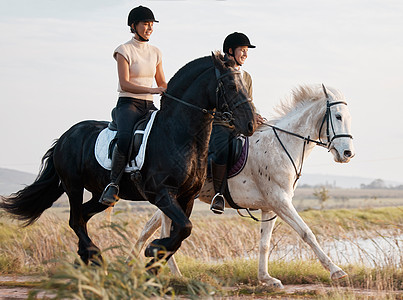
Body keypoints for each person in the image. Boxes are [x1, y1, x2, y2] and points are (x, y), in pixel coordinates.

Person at [99, 6, 167, 206]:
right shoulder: (123, 50)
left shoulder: (156, 52)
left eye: (151, 24)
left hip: (148, 106)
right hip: (128, 104)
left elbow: (162, 82)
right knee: (126, 137)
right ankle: (113, 184)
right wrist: (154, 90)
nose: (149, 28)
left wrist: (166, 91)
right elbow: (125, 83)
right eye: (145, 24)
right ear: (133, 26)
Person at [210, 32, 264, 214]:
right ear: (231, 51)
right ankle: (218, 195)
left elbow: (249, 103)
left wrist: (256, 115)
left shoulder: (247, 77)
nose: (245, 54)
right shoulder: (219, 72)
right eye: (243, 50)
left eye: (247, 51)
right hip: (221, 123)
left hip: (241, 124)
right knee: (222, 150)